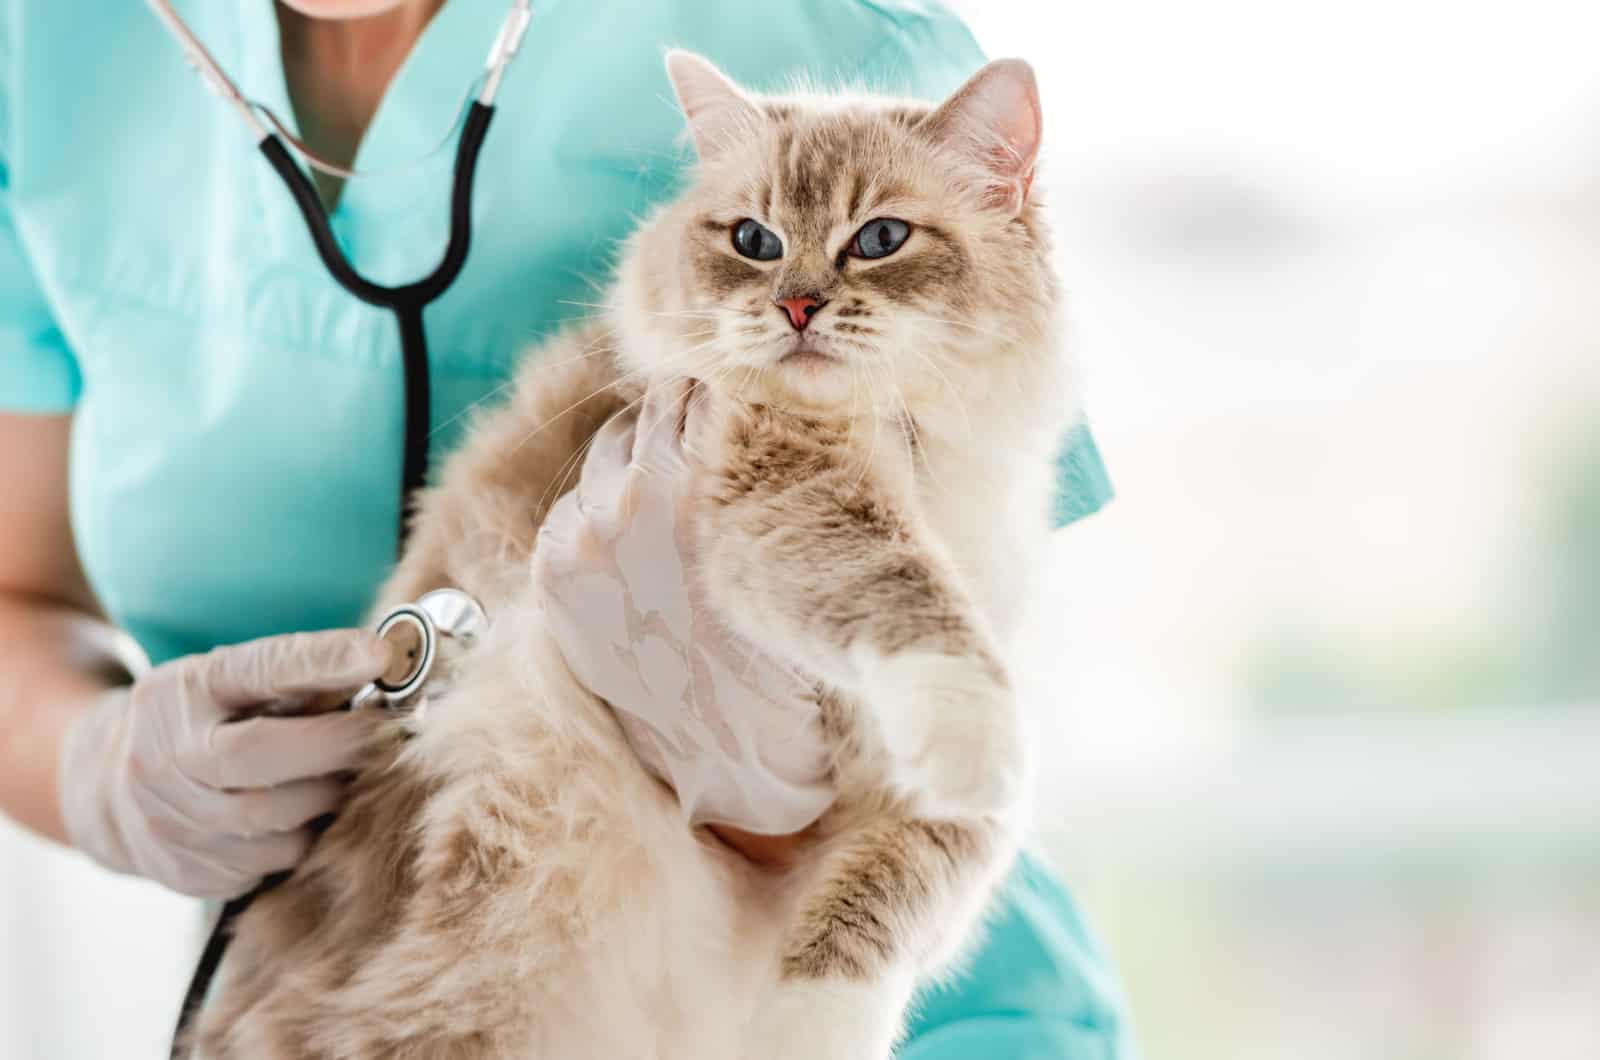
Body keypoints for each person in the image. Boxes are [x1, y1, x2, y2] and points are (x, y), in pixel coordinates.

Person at [0, 1, 1132, 1055]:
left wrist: (749, 793)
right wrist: (97, 763)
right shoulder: (54, 47)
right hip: (379, 956)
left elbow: (967, 692)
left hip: (866, 994)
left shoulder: (825, 36)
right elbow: (19, 595)